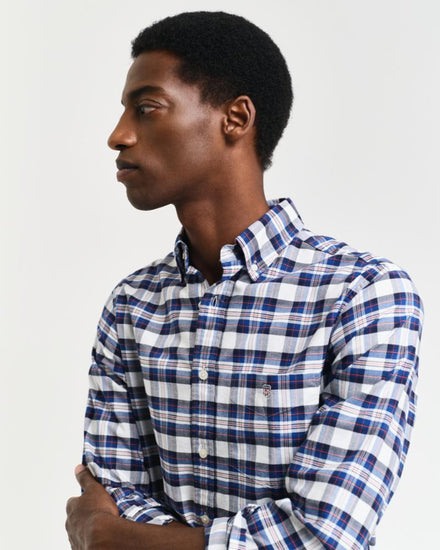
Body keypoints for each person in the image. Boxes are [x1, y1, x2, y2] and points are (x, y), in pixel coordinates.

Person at [65, 11, 423, 550]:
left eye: (146, 108)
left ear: (235, 118)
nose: (119, 136)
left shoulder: (365, 295)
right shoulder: (132, 306)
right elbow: (114, 494)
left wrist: (122, 538)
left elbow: (326, 534)